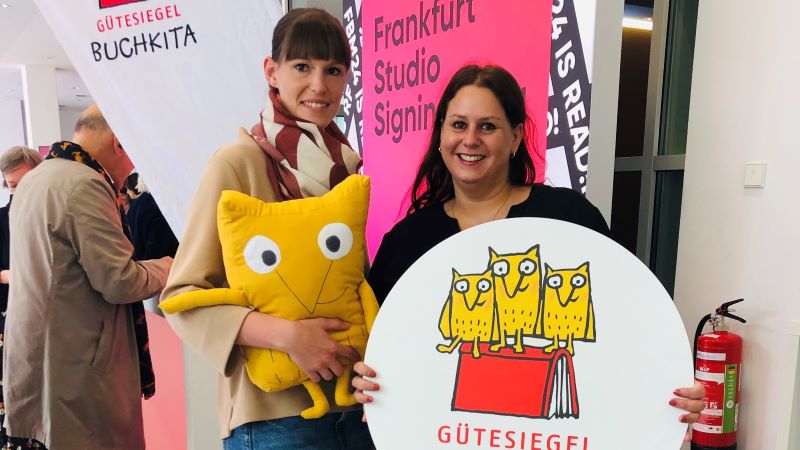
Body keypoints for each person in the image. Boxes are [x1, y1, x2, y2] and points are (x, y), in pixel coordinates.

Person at [352, 64, 705, 435]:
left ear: (516, 136)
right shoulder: (407, 241)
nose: (470, 139)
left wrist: (671, 385)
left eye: (487, 126)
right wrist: (367, 380)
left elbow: (631, 321)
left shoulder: (569, 218)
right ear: (440, 133)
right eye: (458, 124)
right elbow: (382, 344)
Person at [160, 8, 372, 450]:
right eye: (302, 67)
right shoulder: (238, 164)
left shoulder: (349, 174)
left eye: (333, 70)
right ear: (271, 72)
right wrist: (290, 337)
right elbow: (181, 298)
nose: (319, 85)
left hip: (356, 408)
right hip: (274, 418)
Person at [2, 105, 173, 450]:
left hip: (46, 360)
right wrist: (171, 265)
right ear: (119, 144)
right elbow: (120, 281)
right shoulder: (85, 185)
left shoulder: (36, 180)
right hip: (79, 369)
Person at [0, 145, 42, 447]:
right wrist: (10, 276)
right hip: (8, 319)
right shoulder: (2, 219)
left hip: (46, 320)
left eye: (24, 183)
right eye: (12, 186)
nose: (18, 191)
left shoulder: (48, 214)